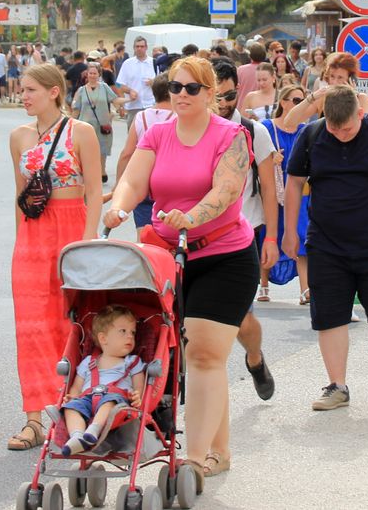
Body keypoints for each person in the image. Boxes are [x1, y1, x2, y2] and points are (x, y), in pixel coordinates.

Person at [104, 57, 258, 480]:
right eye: (176, 88)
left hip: (224, 255)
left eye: (192, 88)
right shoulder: (157, 133)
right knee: (193, 357)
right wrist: (119, 207)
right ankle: (219, 449)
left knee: (204, 353)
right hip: (166, 257)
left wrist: (193, 216)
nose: (183, 95)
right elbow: (134, 182)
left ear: (211, 93)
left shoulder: (232, 135)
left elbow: (226, 192)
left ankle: (191, 458)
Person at [284, 86, 368, 411]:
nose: (340, 134)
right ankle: (337, 386)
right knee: (330, 317)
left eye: (348, 128)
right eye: (333, 128)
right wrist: (289, 230)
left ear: (360, 113)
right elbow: (295, 181)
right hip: (326, 244)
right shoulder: (312, 136)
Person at [8, 64, 104, 451]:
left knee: (72, 323)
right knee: (31, 327)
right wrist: (20, 244)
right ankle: (33, 417)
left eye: (30, 89)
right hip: (33, 235)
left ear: (53, 91)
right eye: (22, 89)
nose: (24, 95)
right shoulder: (18, 136)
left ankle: (70, 409)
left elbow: (94, 193)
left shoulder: (81, 132)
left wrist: (86, 242)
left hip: (71, 229)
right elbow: (21, 197)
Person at [209, 59, 278, 401]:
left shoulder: (254, 131)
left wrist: (274, 239)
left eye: (230, 94)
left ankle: (255, 358)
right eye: (216, 95)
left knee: (241, 320)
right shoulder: (191, 129)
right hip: (197, 239)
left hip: (244, 235)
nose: (223, 103)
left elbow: (268, 188)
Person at [55, 304, 146, 455]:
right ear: (103, 338)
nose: (130, 336)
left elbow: (139, 386)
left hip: (116, 400)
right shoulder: (89, 362)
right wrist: (73, 396)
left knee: (109, 402)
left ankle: (93, 430)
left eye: (133, 332)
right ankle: (77, 436)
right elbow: (77, 386)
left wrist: (137, 396)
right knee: (70, 408)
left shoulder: (132, 362)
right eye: (123, 331)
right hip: (87, 399)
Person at [262, 85, 313, 305]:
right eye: (296, 100)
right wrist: (271, 158)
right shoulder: (266, 127)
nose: (299, 105)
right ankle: (263, 286)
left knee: (301, 235)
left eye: (303, 101)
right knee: (268, 232)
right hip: (272, 189)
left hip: (299, 191)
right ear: (283, 102)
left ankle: (305, 289)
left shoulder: (305, 129)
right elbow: (256, 157)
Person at [115, 74, 175, 229]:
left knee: (143, 234)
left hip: (143, 180)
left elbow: (127, 153)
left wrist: (119, 184)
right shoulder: (177, 118)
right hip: (167, 182)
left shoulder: (141, 116)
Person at [279, 52, 368, 130]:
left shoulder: (361, 98)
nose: (335, 82)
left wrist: (352, 97)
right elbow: (289, 122)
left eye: (340, 78)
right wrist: (310, 98)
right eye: (332, 77)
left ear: (350, 79)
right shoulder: (322, 99)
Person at [71, 63, 125, 183]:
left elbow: (115, 99)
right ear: (87, 74)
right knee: (85, 150)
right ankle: (86, 171)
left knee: (102, 149)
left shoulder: (104, 87)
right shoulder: (81, 90)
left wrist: (129, 100)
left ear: (99, 74)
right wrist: (70, 123)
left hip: (102, 124)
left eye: (95, 73)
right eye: (90, 73)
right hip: (86, 125)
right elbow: (76, 109)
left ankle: (102, 170)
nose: (92, 75)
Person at [116, 37, 157, 132]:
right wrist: (130, 91)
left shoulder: (154, 63)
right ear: (134, 48)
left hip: (150, 105)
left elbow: (163, 83)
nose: (139, 49)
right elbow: (120, 84)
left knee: (151, 135)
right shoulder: (127, 63)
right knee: (133, 135)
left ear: (146, 47)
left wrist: (153, 82)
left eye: (142, 46)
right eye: (137, 46)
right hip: (134, 106)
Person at [235, 43, 265, 113]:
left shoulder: (240, 69)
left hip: (241, 108)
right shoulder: (267, 70)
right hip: (260, 109)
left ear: (250, 55)